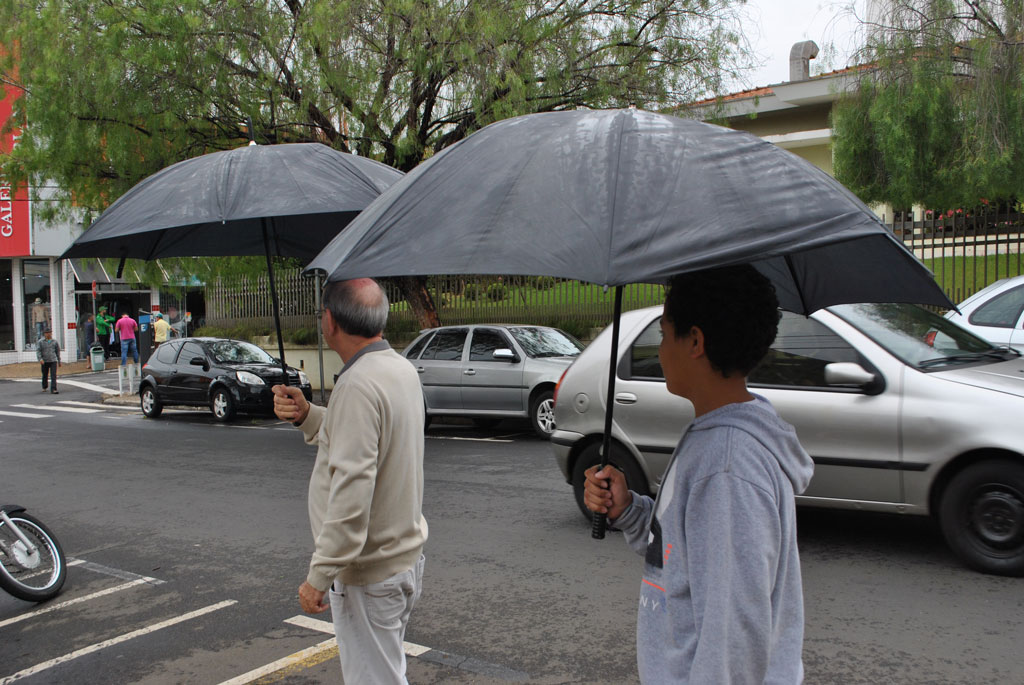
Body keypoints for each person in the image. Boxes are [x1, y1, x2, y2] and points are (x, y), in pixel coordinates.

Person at [583, 265, 814, 684]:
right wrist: (630, 510)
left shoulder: (726, 466)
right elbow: (680, 551)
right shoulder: (714, 438)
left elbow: (734, 635)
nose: (660, 349)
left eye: (663, 334)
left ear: (694, 341)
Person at [272, 278, 427, 685]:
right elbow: (369, 441)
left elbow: (352, 496)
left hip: (369, 575)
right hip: (400, 561)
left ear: (330, 321)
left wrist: (318, 576)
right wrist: (308, 414)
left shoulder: (358, 384)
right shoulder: (398, 368)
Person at [37, 328, 61, 394]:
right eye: (47, 333)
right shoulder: (40, 342)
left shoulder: (54, 342)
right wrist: (40, 359)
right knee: (45, 374)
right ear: (44, 334)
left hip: (53, 360)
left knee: (53, 375)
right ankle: (44, 386)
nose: (48, 334)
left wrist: (59, 360)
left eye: (49, 332)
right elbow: (38, 351)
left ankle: (54, 389)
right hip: (45, 360)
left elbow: (57, 351)